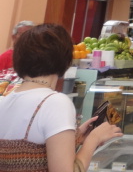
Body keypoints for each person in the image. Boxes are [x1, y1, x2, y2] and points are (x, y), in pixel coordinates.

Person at [0, 23, 123, 172]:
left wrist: (76, 137)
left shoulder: (5, 100)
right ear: (64, 60)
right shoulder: (55, 102)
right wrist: (94, 139)